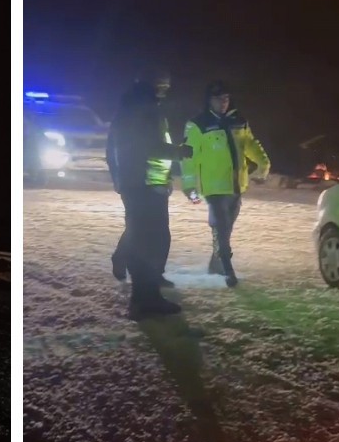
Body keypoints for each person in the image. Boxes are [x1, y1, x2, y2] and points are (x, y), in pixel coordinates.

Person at [106, 68, 193, 320]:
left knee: (145, 238)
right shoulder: (143, 108)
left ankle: (146, 294)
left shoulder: (131, 106)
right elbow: (148, 146)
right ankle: (145, 299)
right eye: (160, 85)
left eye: (167, 85)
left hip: (141, 184)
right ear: (148, 83)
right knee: (151, 241)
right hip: (144, 185)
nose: (164, 89)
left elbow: (113, 148)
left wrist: (120, 180)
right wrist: (179, 151)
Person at [181, 80, 270, 287]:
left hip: (237, 185)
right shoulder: (198, 124)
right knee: (221, 226)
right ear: (208, 100)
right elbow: (188, 157)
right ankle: (228, 270)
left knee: (226, 227)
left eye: (226, 98)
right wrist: (189, 185)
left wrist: (263, 165)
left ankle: (216, 261)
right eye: (218, 99)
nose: (223, 102)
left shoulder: (238, 120)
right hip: (214, 187)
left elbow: (250, 145)